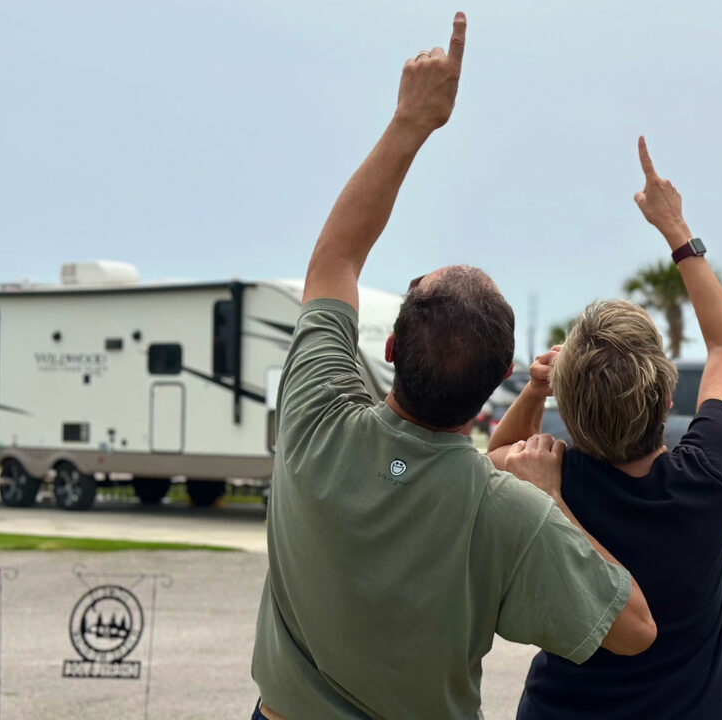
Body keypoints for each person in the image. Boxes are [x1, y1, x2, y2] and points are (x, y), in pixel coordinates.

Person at [250, 13, 656, 720]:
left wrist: (412, 121)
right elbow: (635, 630)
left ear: (390, 350)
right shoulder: (504, 510)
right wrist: (551, 501)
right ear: (497, 381)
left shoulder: (316, 422)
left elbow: (336, 259)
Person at [488, 137, 722, 719]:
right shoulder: (708, 475)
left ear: (569, 410)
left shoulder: (551, 481)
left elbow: (497, 454)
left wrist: (533, 391)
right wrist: (676, 230)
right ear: (667, 398)